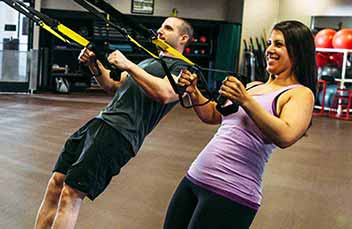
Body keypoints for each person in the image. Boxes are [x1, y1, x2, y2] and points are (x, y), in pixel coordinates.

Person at [34, 16, 193, 229]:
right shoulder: (148, 62)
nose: (160, 31)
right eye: (161, 26)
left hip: (120, 134)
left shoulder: (183, 70)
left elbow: (165, 93)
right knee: (55, 184)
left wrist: (128, 65)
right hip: (99, 123)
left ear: (183, 38)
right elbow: (113, 85)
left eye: (168, 28)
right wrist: (94, 64)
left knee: (71, 193)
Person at [163, 20, 317, 229]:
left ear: (298, 51)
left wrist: (246, 100)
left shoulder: (300, 93)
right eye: (270, 43)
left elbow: (286, 135)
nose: (269, 50)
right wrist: (193, 91)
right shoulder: (254, 87)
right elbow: (211, 115)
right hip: (195, 178)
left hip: (232, 193)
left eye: (278, 44)